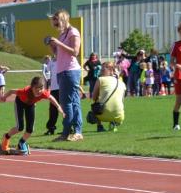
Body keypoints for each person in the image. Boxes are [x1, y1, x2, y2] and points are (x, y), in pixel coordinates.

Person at [0, 76, 64, 155]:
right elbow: (11, 91)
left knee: (30, 129)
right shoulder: (24, 91)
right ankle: (6, 137)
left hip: (30, 105)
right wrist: (4, 97)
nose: (39, 91)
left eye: (41, 88)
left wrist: (58, 107)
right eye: (36, 88)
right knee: (20, 127)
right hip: (20, 103)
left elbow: (51, 98)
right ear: (32, 87)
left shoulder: (43, 92)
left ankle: (21, 143)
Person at [48, 9, 83, 142]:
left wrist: (58, 43)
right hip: (62, 71)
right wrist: (53, 47)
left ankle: (66, 132)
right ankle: (76, 131)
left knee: (66, 103)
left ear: (63, 19)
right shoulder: (63, 34)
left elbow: (75, 52)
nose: (56, 25)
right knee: (73, 102)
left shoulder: (73, 32)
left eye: (57, 21)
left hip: (70, 71)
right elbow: (59, 55)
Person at [89, 61, 126, 132]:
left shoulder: (100, 79)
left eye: (103, 70)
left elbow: (93, 97)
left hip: (102, 115)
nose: (101, 71)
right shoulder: (121, 82)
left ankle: (100, 126)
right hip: (119, 116)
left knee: (95, 105)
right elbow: (122, 100)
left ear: (111, 70)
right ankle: (114, 123)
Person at [43, 56, 60, 135]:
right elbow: (47, 70)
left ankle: (69, 128)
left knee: (66, 109)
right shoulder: (51, 62)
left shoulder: (63, 59)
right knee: (53, 109)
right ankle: (51, 128)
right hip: (53, 89)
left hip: (63, 88)